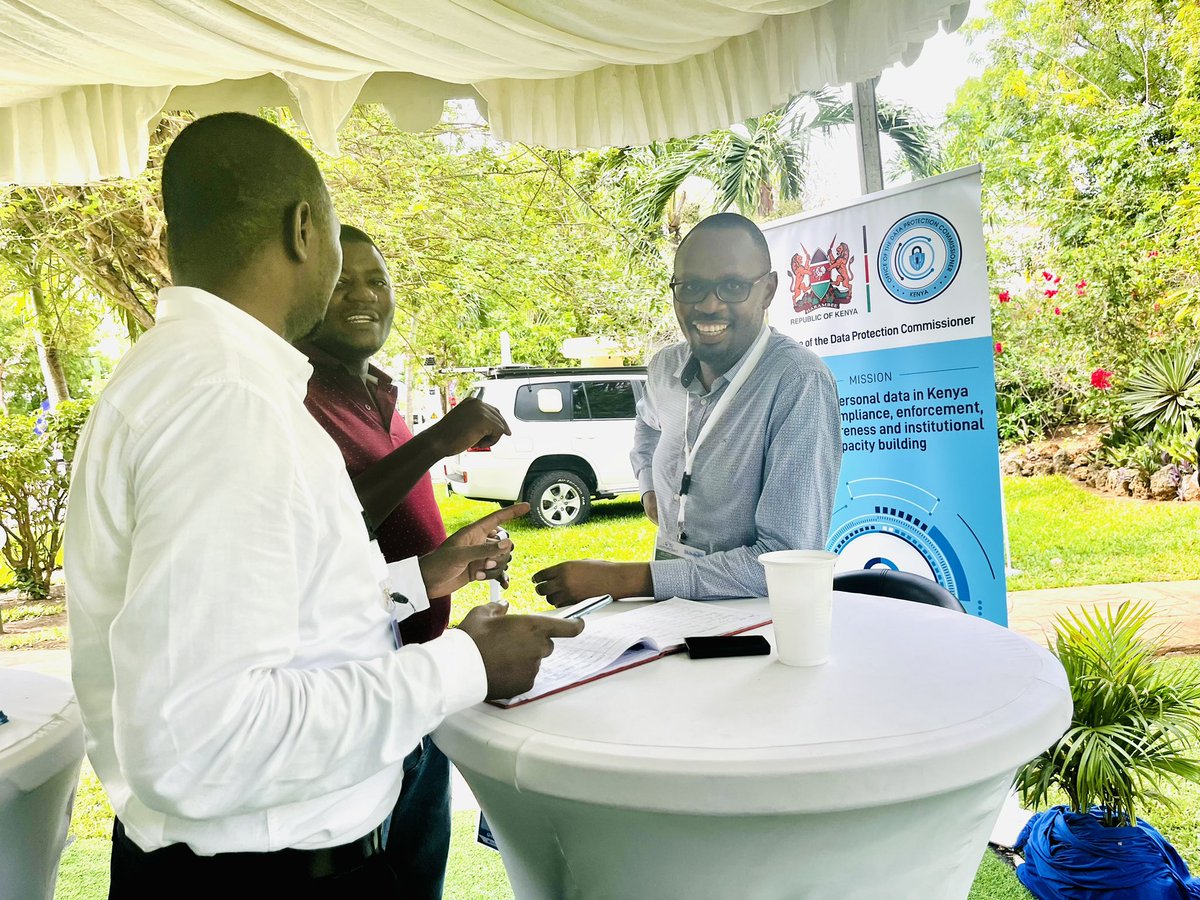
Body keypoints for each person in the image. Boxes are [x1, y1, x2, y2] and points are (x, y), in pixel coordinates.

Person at [63, 112, 582, 897]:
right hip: (267, 878)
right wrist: (464, 665)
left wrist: (417, 582)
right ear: (305, 229)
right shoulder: (225, 401)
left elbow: (290, 617)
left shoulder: (203, 378)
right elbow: (199, 743)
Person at [298, 224, 514, 896]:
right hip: (359, 698)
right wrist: (438, 441)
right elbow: (330, 530)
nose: (363, 295)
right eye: (342, 282)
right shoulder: (298, 396)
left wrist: (454, 558)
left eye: (376, 280)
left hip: (421, 690)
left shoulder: (381, 394)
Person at [533, 213, 841, 605]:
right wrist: (648, 486)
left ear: (767, 291)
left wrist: (624, 579)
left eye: (732, 286)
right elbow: (647, 426)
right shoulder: (666, 367)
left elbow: (787, 563)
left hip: (750, 622)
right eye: (692, 287)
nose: (709, 305)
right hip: (671, 604)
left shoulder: (798, 382)